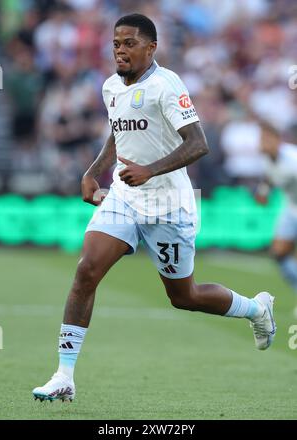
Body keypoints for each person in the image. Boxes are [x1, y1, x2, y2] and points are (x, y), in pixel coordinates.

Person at [33, 14, 276, 402]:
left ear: (151, 47)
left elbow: (198, 143)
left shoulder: (167, 85)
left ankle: (255, 309)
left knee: (185, 297)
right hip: (124, 197)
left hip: (169, 203)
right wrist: (94, 171)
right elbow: (118, 131)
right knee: (86, 271)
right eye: (116, 43)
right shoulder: (110, 86)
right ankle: (64, 376)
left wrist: (151, 170)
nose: (120, 50)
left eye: (129, 43)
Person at [255, 121, 297, 316]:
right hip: (291, 208)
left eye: (266, 138)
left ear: (278, 140)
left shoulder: (293, 159)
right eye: (261, 138)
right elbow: (269, 178)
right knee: (278, 253)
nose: (262, 143)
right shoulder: (267, 159)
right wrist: (264, 192)